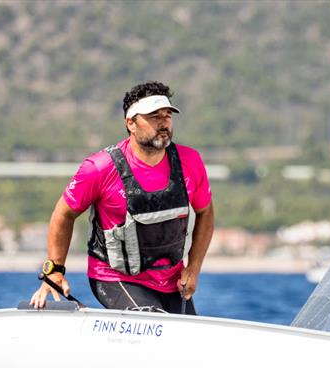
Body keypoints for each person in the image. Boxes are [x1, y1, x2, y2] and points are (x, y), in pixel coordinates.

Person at [30, 81, 214, 314]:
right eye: (153, 116)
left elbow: (205, 212)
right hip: (114, 279)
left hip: (171, 283)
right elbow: (63, 214)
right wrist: (54, 270)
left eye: (167, 115)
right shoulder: (99, 168)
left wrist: (194, 268)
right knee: (152, 321)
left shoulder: (190, 161)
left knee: (186, 343)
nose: (163, 122)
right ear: (131, 123)